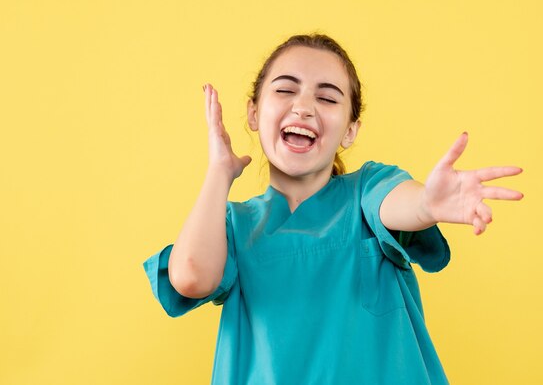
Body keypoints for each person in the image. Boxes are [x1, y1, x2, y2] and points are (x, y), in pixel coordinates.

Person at [142, 33, 523, 384]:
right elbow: (191, 277)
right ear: (254, 113)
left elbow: (399, 204)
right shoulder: (234, 227)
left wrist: (426, 202)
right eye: (286, 90)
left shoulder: (367, 190)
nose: (304, 107)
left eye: (326, 98)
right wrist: (219, 173)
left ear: (350, 130)